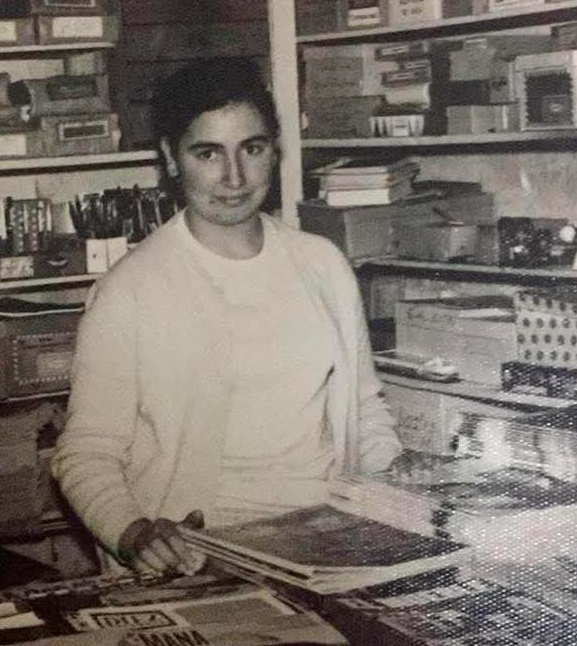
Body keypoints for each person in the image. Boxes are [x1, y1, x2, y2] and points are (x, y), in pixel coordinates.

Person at [52, 57, 419, 575]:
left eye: (252, 148)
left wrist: (397, 468)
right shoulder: (131, 289)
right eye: (208, 153)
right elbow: (86, 451)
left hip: (332, 536)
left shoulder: (323, 265)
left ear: (275, 150)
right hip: (206, 551)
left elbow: (364, 409)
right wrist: (133, 532)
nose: (235, 177)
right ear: (171, 159)